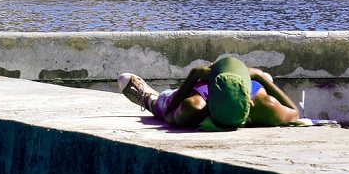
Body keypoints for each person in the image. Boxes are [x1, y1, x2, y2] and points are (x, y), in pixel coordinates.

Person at [118, 55, 301, 129]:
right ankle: (265, 79)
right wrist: (259, 77)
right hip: (243, 86)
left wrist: (193, 76)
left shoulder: (195, 106)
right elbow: (294, 112)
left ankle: (150, 99)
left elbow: (168, 114)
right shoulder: (265, 106)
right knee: (268, 93)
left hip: (205, 89)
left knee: (164, 104)